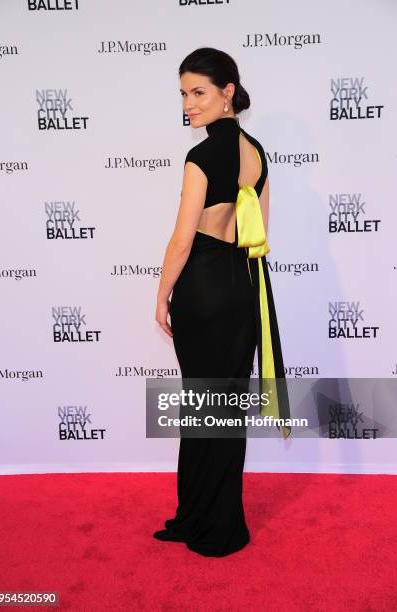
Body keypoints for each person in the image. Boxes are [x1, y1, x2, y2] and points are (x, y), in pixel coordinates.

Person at [154, 47, 290, 557]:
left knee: (203, 409)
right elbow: (260, 233)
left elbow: (181, 240)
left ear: (227, 91)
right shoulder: (257, 152)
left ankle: (204, 523)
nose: (189, 104)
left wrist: (162, 292)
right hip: (243, 288)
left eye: (199, 92)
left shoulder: (201, 156)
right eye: (184, 94)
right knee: (224, 412)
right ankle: (210, 521)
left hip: (204, 288)